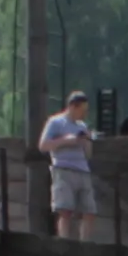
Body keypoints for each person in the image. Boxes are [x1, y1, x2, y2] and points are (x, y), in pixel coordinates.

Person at [42, 90, 104, 240]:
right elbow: (43, 145)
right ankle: (64, 242)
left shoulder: (82, 125)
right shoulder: (55, 122)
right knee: (65, 211)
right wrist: (66, 141)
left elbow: (88, 154)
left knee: (89, 211)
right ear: (72, 107)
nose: (84, 114)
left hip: (83, 171)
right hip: (63, 169)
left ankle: (85, 244)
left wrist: (87, 140)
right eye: (82, 110)